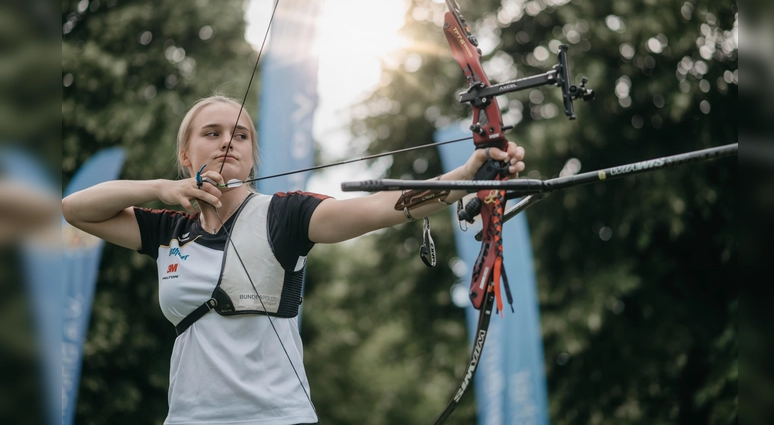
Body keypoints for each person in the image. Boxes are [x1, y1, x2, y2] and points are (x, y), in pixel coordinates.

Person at [61, 95, 525, 425]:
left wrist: (465, 177)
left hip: (277, 417)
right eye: (213, 133)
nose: (228, 142)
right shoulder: (167, 229)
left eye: (240, 135)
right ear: (186, 154)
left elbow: (376, 208)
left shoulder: (283, 214)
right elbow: (75, 209)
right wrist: (159, 190)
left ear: (252, 155)